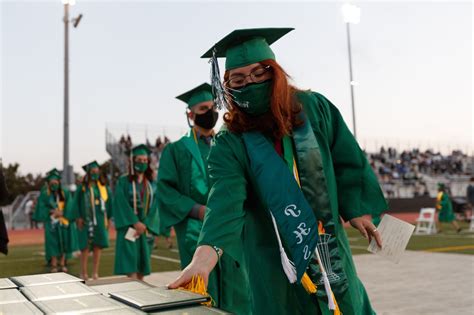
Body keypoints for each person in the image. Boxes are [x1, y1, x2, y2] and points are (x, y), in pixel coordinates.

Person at [169, 28, 387, 315]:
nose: (250, 82)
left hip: (328, 245)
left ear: (275, 72)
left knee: (344, 303)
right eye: (239, 78)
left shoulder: (313, 107)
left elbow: (345, 157)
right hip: (273, 259)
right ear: (227, 87)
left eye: (259, 73)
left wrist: (355, 207)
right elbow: (225, 199)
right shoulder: (231, 141)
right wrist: (202, 260)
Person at [157, 83, 249, 312]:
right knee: (201, 288)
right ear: (190, 114)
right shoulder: (176, 150)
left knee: (238, 285)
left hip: (229, 225)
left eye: (212, 107)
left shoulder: (228, 144)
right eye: (202, 109)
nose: (210, 112)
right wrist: (195, 209)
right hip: (194, 227)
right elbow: (166, 190)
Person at [113, 144, 159, 280]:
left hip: (145, 229)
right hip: (129, 229)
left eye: (145, 161)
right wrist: (135, 222)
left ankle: (141, 297)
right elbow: (120, 204)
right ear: (132, 161)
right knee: (130, 266)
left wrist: (145, 224)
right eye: (139, 160)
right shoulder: (123, 181)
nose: (143, 163)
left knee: (142, 266)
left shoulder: (152, 184)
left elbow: (155, 206)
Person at [69, 161, 113, 280]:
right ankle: (83, 272)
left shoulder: (103, 188)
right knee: (85, 247)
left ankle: (95, 273)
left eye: (96, 172)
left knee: (98, 246)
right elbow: (75, 203)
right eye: (92, 172)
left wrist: (108, 218)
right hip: (85, 220)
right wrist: (78, 217)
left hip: (99, 220)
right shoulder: (82, 188)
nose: (95, 174)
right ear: (88, 173)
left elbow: (109, 204)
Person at [33, 169, 78, 272]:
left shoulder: (65, 192)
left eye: (56, 182)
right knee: (52, 242)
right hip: (51, 222)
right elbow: (41, 207)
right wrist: (50, 212)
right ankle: (53, 264)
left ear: (59, 182)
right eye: (52, 183)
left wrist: (63, 213)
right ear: (48, 183)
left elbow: (70, 205)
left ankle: (62, 263)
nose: (54, 184)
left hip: (63, 221)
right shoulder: (45, 194)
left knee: (64, 241)